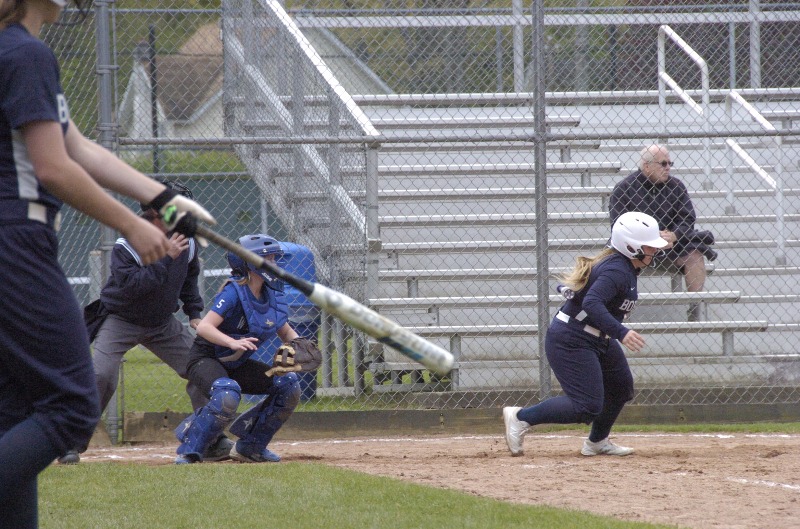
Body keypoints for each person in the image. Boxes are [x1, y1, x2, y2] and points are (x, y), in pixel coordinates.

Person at [0, 1, 214, 528]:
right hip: (16, 243)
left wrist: (164, 198)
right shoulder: (25, 53)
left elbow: (77, 145)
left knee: (14, 415)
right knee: (72, 404)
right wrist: (133, 223)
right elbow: (53, 166)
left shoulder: (16, 51)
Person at [57, 181, 231, 465]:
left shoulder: (184, 242)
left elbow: (188, 278)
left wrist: (194, 312)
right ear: (154, 212)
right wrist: (165, 257)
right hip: (121, 319)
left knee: (203, 368)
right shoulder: (129, 243)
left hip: (162, 322)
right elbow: (132, 288)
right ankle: (71, 443)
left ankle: (209, 438)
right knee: (101, 375)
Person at [503, 212, 668, 458]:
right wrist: (621, 332)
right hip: (572, 338)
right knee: (587, 407)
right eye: (648, 246)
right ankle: (520, 417)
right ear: (631, 247)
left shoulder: (624, 265)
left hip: (595, 336)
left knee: (621, 388)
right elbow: (592, 302)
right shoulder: (617, 270)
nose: (653, 251)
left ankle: (597, 442)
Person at [174, 234, 319, 464]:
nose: (274, 263)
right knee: (226, 393)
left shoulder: (271, 294)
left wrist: (300, 345)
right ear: (249, 263)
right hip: (206, 358)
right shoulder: (233, 292)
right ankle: (191, 450)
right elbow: (204, 328)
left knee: (288, 385)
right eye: (267, 258)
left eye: (274, 258)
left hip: (236, 364)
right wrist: (231, 342)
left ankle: (251, 446)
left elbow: (285, 331)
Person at [609, 144, 717, 321]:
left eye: (669, 163)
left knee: (695, 254)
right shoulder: (624, 189)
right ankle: (619, 310)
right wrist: (649, 238)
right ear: (647, 166)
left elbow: (687, 219)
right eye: (663, 164)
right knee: (617, 258)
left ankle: (694, 309)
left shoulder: (676, 186)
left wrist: (675, 235)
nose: (668, 168)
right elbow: (618, 225)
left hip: (671, 246)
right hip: (637, 249)